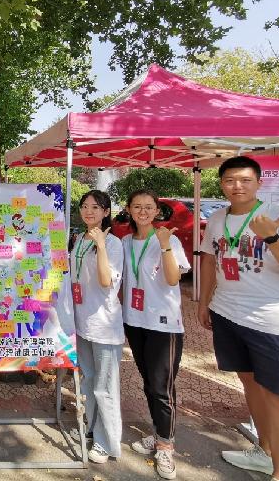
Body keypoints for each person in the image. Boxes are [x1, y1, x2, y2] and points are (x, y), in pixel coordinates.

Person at [198, 156, 279, 481]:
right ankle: (264, 451)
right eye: (229, 180)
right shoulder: (217, 218)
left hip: (272, 323)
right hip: (227, 314)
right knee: (250, 384)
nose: (237, 186)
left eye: (245, 180)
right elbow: (210, 260)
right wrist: (203, 302)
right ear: (222, 184)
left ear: (259, 183)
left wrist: (272, 239)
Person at [121, 189, 190, 480]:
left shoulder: (168, 239)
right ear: (129, 209)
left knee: (162, 388)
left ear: (157, 210)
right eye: (137, 206)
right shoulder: (125, 242)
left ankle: (166, 446)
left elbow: (173, 279)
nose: (143, 211)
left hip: (164, 325)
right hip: (134, 321)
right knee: (149, 383)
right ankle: (158, 433)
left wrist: (164, 247)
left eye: (148, 207)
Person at [71, 190, 124, 464]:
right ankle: (91, 429)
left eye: (95, 207)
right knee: (89, 381)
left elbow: (106, 281)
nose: (89, 211)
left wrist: (101, 246)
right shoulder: (79, 240)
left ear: (106, 212)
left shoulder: (113, 243)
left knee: (105, 387)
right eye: (85, 206)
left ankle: (107, 443)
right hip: (82, 323)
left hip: (104, 325)